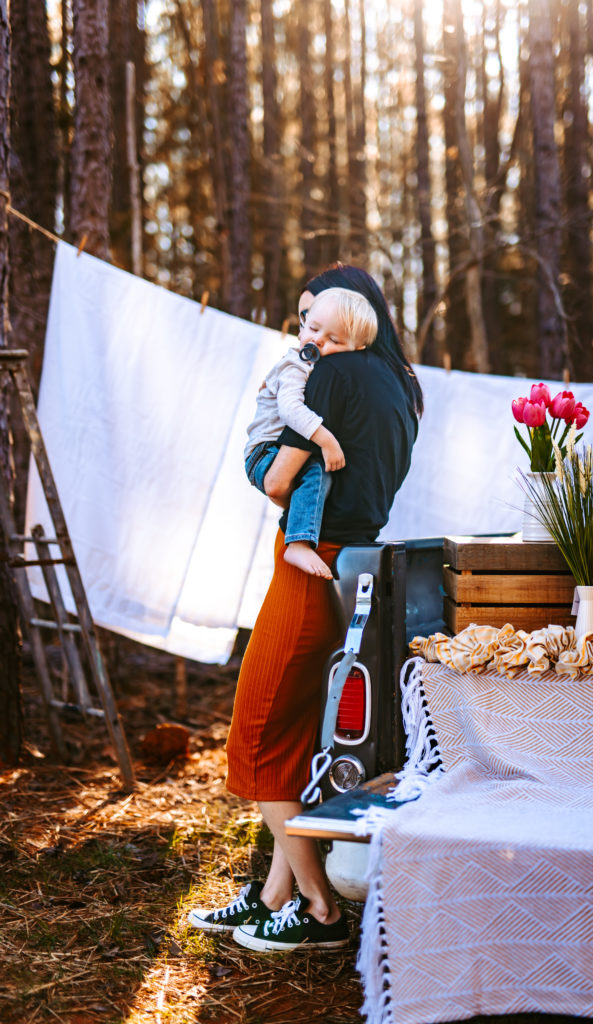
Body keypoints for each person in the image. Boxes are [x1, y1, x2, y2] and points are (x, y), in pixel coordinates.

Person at [187, 265, 423, 952]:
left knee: (258, 739)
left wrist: (266, 469)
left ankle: (317, 908)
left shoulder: (327, 376)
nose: (307, 332)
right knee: (295, 738)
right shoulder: (401, 388)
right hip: (355, 568)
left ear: (350, 320)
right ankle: (271, 898)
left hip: (307, 564)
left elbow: (282, 478)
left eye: (317, 318)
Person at [244, 287, 378, 578]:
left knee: (317, 477)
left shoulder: (323, 370)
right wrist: (327, 440)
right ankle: (298, 544)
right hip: (264, 451)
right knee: (317, 471)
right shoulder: (296, 364)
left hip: (274, 452)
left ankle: (300, 527)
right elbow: (290, 410)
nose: (317, 340)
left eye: (333, 339)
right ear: (302, 326)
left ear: (355, 352)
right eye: (313, 329)